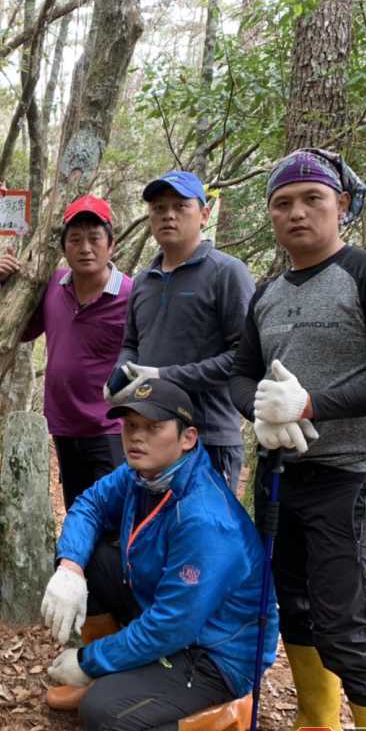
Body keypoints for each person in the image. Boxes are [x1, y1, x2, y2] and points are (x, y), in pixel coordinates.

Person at [229, 148, 366, 731]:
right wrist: (260, 412)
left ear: (341, 205)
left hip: (352, 479)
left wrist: (312, 403)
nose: (296, 213)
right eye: (282, 203)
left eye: (312, 199)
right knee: (294, 605)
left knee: (347, 627)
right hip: (283, 474)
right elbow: (241, 373)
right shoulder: (266, 292)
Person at [40, 377, 277, 731]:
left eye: (153, 428)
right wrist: (70, 567)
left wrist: (88, 660)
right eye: (131, 426)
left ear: (187, 438)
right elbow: (90, 504)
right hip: (167, 616)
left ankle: (227, 715)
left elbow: (172, 626)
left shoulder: (204, 518)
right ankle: (111, 674)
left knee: (105, 719)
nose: (137, 438)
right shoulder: (143, 475)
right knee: (90, 559)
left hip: (215, 654)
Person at [106, 171, 254, 491]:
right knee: (153, 535)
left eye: (180, 206)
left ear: (204, 214)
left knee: (203, 537)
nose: (168, 215)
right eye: (158, 208)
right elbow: (131, 343)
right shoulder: (144, 280)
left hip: (208, 436)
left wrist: (162, 376)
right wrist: (120, 374)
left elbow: (242, 358)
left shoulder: (227, 273)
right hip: (150, 437)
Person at [0, 195, 132, 508]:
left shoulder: (131, 295)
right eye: (76, 240)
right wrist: (8, 287)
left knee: (110, 515)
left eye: (95, 239)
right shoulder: (55, 285)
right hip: (64, 425)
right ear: (63, 247)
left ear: (111, 245)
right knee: (78, 508)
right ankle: (75, 560)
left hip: (111, 427)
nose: (85, 248)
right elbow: (25, 331)